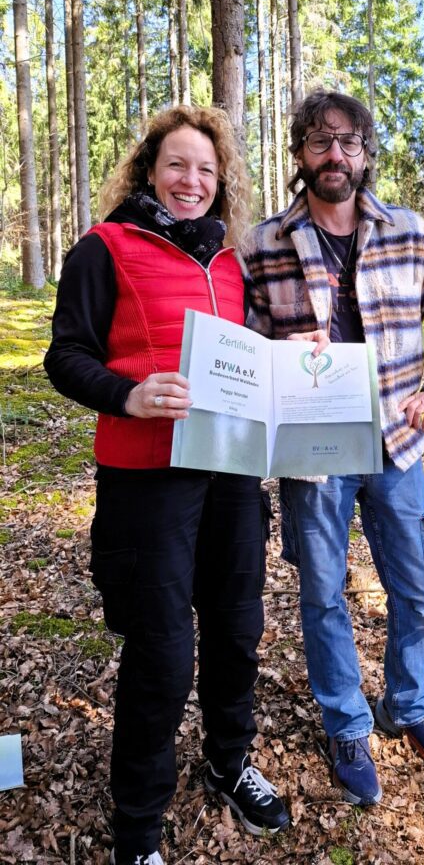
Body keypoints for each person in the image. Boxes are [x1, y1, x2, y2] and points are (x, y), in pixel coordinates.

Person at [44, 107, 290, 865]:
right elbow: (65, 355)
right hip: (147, 479)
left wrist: (298, 366)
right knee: (161, 651)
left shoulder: (233, 261)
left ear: (222, 183)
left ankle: (228, 761)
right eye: (178, 165)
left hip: (232, 476)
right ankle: (138, 828)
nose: (192, 181)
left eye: (207, 170)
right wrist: (129, 394)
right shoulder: (105, 247)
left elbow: (254, 359)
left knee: (236, 629)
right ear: (149, 169)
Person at [241, 89, 424, 806]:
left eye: (348, 142)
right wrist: (282, 350)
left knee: (413, 584)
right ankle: (346, 724)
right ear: (299, 154)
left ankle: (408, 705)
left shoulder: (411, 233)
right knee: (323, 594)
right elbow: (242, 345)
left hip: (398, 441)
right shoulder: (263, 245)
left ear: (365, 154)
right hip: (313, 450)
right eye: (320, 142)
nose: (335, 155)